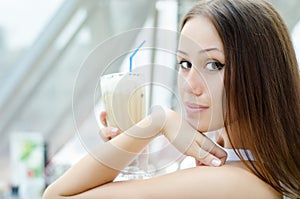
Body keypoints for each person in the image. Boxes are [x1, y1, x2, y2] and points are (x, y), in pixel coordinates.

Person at [43, 0, 300, 198]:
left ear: (260, 73)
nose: (189, 85)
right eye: (185, 63)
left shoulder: (235, 183)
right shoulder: (228, 161)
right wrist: (130, 150)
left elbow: (56, 195)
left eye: (214, 65)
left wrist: (157, 123)